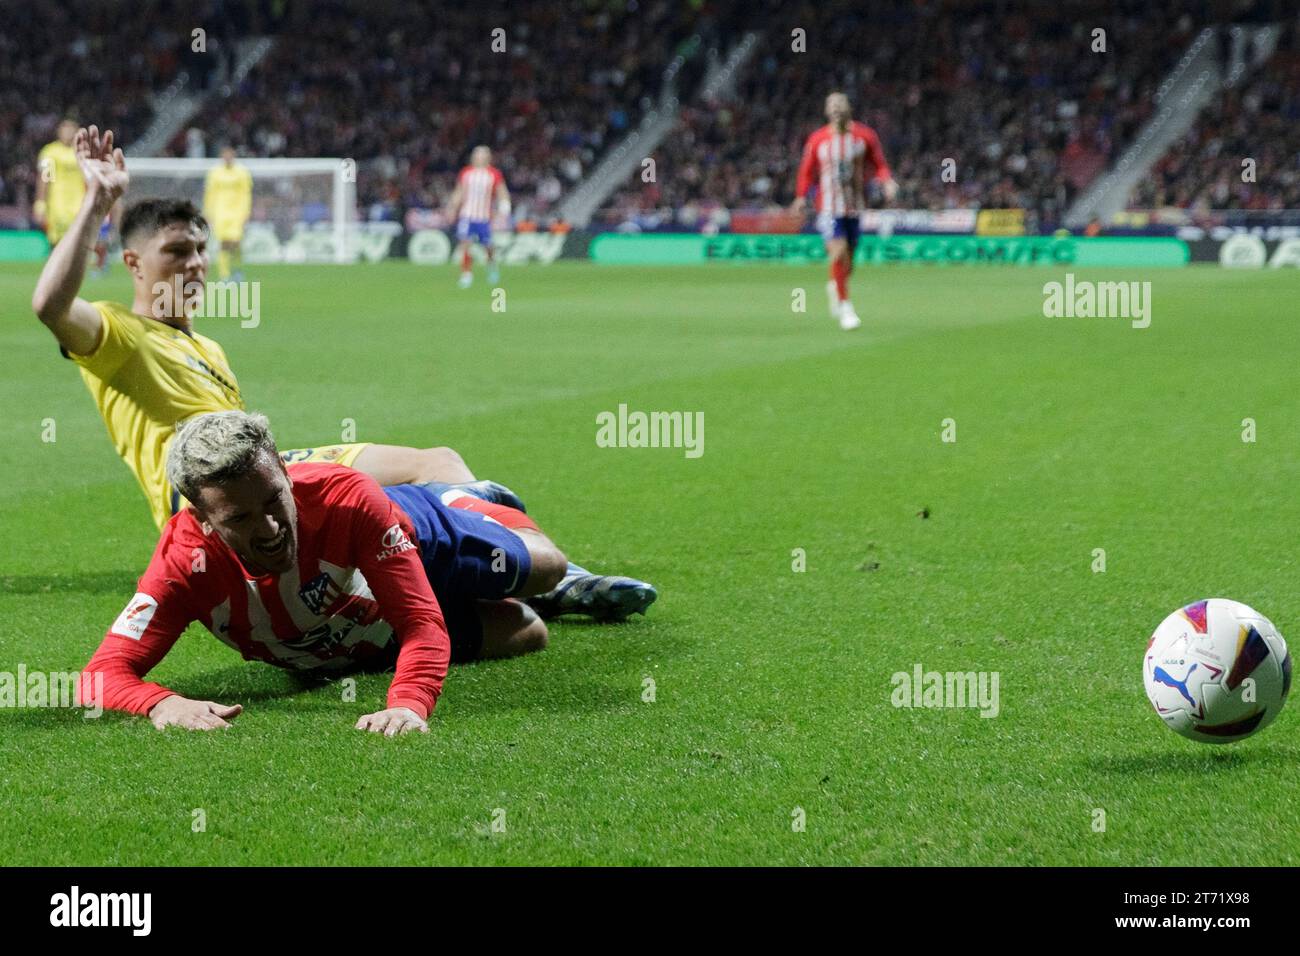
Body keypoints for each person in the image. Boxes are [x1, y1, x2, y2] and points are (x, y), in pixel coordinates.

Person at [30, 124, 657, 620]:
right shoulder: (118, 336)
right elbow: (49, 306)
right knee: (419, 482)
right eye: (176, 253)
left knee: (431, 470)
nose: (195, 264)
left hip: (258, 473)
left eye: (200, 250)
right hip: (208, 498)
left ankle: (525, 578)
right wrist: (95, 203)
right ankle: (539, 577)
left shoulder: (209, 348)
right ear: (134, 263)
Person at [79, 411, 588, 735]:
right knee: (528, 631)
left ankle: (461, 497)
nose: (272, 526)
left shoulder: (349, 500)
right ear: (201, 516)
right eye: (241, 518)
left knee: (547, 567)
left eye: (276, 498)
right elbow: (98, 677)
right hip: (357, 628)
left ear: (282, 468)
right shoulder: (182, 563)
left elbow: (420, 624)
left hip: (417, 538)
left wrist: (408, 703)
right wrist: (161, 704)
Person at [791, 93, 898, 331]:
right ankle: (846, 307)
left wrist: (887, 181)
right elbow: (806, 171)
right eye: (832, 105)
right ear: (827, 111)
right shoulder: (818, 139)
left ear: (849, 108)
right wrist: (800, 196)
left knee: (849, 262)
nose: (836, 108)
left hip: (855, 206)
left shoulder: (865, 136)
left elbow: (879, 163)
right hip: (828, 208)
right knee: (838, 252)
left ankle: (835, 284)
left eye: (840, 104)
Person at [446, 145, 510, 288]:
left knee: (487, 246)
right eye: (477, 154)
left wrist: (504, 208)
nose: (478, 157)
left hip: (484, 217)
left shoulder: (494, 174)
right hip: (467, 215)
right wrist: (452, 208)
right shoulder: (466, 173)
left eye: (482, 155)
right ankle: (466, 274)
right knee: (465, 243)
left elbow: (502, 192)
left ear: (488, 157)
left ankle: (492, 266)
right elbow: (459, 192)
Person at [202, 146, 252, 282]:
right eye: (225, 155)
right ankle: (224, 275)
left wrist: (246, 211)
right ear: (222, 156)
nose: (227, 157)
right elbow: (210, 194)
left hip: (237, 213)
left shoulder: (242, 172)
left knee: (236, 243)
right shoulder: (215, 173)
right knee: (223, 243)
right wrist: (208, 212)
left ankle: (237, 270)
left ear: (233, 156)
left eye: (230, 155)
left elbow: (246, 194)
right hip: (220, 212)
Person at [34, 119, 85, 248]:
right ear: (59, 131)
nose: (67, 132)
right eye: (65, 128)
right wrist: (40, 203)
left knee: (77, 244)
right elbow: (44, 178)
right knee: (57, 244)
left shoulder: (83, 152)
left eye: (71, 128)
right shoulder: (50, 152)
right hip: (57, 204)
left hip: (79, 205)